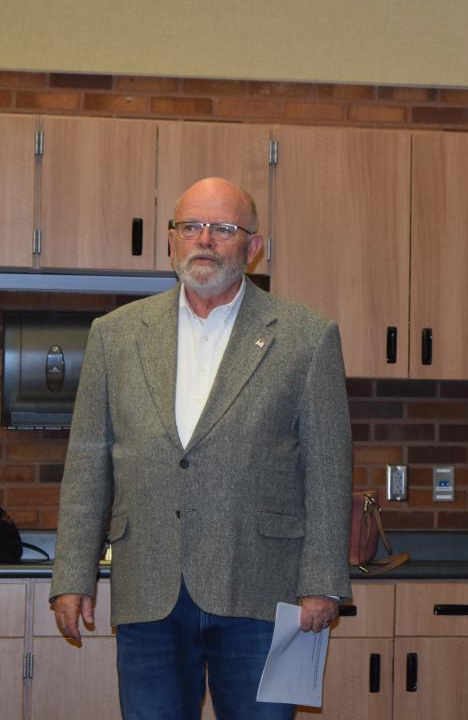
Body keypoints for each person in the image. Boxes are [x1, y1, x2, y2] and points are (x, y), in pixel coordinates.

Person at [51, 177, 352, 720]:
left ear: (253, 247)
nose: (205, 240)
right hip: (149, 590)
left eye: (224, 228)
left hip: (264, 593)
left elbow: (328, 472)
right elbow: (88, 465)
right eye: (191, 227)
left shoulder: (307, 338)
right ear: (171, 240)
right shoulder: (115, 336)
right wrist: (73, 574)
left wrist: (323, 583)